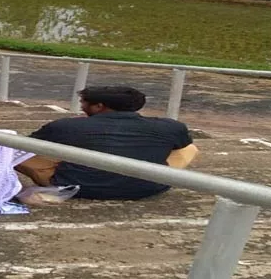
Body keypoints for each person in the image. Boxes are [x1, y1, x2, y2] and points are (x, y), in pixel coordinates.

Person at [16, 86, 199, 200]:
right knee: (189, 148)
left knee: (9, 147)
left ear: (99, 106)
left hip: (77, 186)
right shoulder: (170, 126)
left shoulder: (66, 125)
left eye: (84, 103)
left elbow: (27, 146)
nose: (82, 106)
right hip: (148, 188)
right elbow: (179, 148)